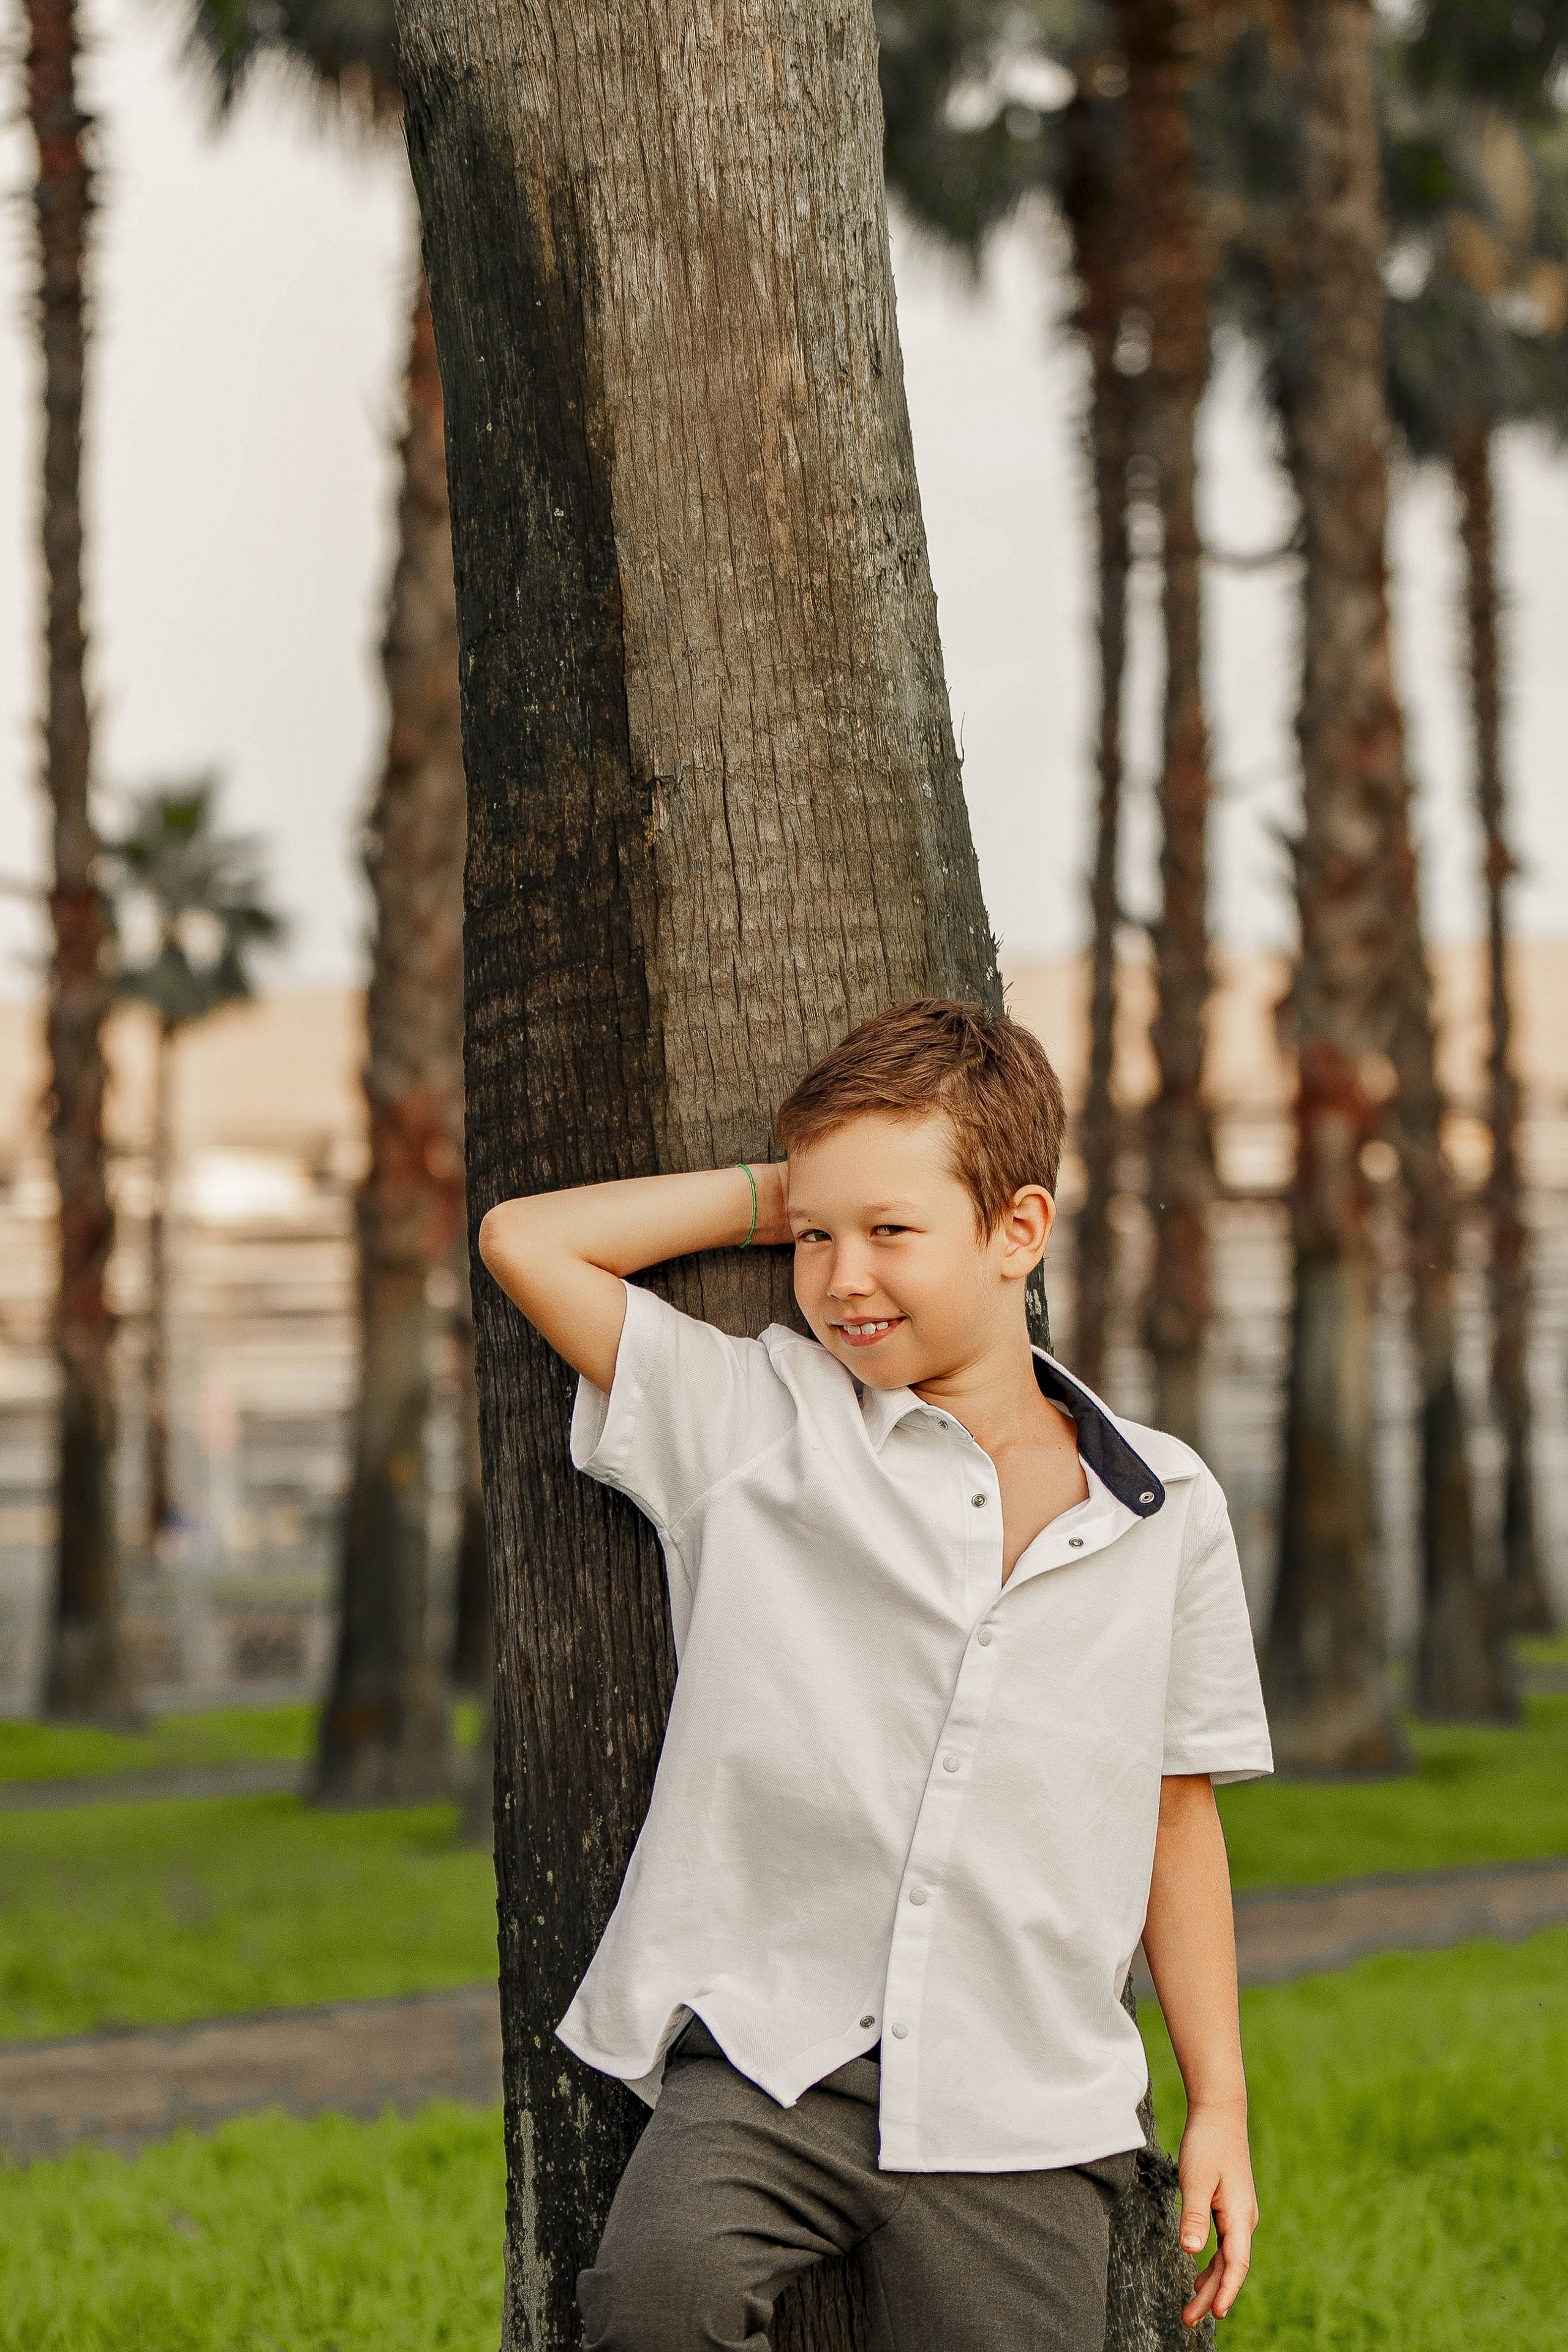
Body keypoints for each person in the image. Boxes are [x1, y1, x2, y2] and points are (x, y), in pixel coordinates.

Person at [478, 998, 1270, 2352]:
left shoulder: (1166, 1506)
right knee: (651, 2305)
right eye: (812, 1239)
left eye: (891, 1231)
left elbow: (1173, 1813)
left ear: (1016, 1231)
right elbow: (522, 1241)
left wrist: (1220, 2107)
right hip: (772, 2056)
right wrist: (787, 1189)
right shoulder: (755, 1424)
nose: (842, 1275)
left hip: (1021, 2094)